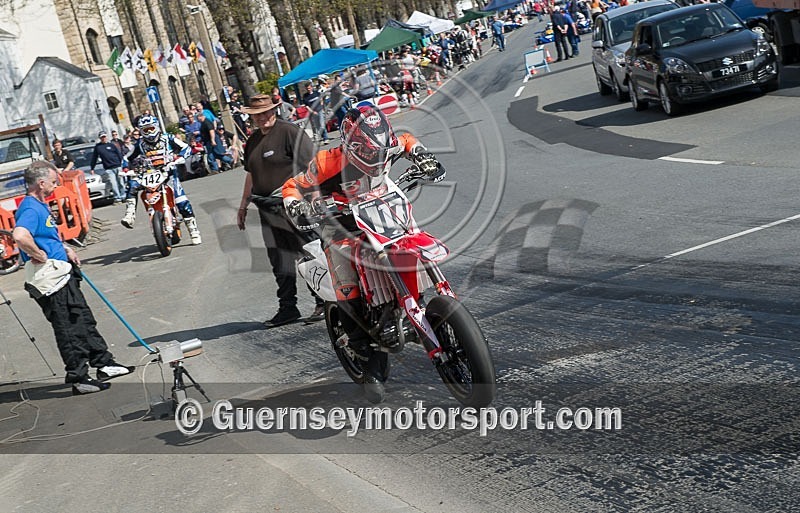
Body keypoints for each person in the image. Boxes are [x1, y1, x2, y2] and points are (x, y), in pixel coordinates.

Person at [281, 105, 445, 403]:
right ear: (352, 145)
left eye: (381, 149)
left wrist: (423, 156)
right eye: (370, 152)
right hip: (340, 227)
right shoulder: (326, 161)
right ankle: (366, 357)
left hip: (383, 215)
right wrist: (297, 207)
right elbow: (292, 186)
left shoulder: (386, 143)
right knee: (347, 283)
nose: (377, 158)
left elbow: (407, 140)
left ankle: (426, 302)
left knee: (414, 241)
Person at [12, 161, 134, 394]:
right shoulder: (29, 208)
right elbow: (20, 235)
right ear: (41, 183)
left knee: (83, 319)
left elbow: (45, 235)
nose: (56, 185)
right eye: (53, 181)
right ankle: (79, 377)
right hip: (51, 278)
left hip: (63, 272)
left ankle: (104, 363)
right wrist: (39, 255)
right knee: (68, 327)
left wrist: (65, 247)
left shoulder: (40, 204)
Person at [236, 94, 325, 327]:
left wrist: (315, 197)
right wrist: (243, 205)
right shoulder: (253, 141)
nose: (262, 117)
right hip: (267, 207)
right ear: (252, 117)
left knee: (309, 252)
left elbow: (312, 165)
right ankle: (288, 308)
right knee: (280, 259)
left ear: (274, 110)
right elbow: (251, 174)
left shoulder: (289, 132)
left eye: (266, 112)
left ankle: (323, 301)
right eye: (257, 114)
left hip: (294, 204)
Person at [121, 114, 203, 245]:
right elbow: (126, 158)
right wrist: (126, 169)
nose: (149, 132)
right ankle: (130, 214)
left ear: (156, 127)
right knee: (133, 184)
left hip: (168, 172)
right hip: (149, 174)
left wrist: (180, 158)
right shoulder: (140, 144)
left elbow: (186, 147)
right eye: (145, 130)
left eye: (150, 128)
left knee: (181, 201)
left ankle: (193, 230)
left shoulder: (168, 138)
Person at [90, 130, 125, 202]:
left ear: (106, 137)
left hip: (117, 166)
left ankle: (123, 196)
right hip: (108, 168)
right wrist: (92, 168)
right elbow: (94, 157)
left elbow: (119, 154)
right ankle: (117, 198)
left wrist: (121, 163)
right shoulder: (98, 147)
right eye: (102, 137)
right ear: (100, 138)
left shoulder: (112, 145)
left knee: (121, 182)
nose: (103, 138)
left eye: (104, 137)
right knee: (113, 183)